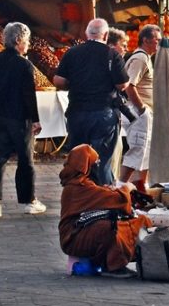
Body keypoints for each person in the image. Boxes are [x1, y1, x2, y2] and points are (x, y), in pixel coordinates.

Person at [0, 22, 46, 218]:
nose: (28, 45)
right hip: (20, 120)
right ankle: (28, 201)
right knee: (25, 161)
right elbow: (29, 95)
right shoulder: (24, 65)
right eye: (26, 41)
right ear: (18, 41)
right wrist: (35, 119)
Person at [53, 18, 130, 185]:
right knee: (101, 162)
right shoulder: (112, 55)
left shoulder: (72, 52)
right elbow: (122, 84)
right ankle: (102, 202)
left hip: (77, 113)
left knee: (77, 161)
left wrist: (73, 84)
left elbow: (58, 81)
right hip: (103, 115)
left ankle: (77, 198)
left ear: (87, 34)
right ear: (106, 35)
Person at [59, 144, 152, 278]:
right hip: (73, 238)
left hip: (82, 231)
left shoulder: (84, 184)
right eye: (95, 163)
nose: (98, 166)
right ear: (85, 166)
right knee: (110, 228)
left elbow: (103, 196)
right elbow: (117, 199)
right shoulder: (76, 187)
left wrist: (112, 190)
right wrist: (128, 187)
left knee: (139, 221)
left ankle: (137, 261)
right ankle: (113, 265)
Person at [119, 24, 161, 189]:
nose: (158, 44)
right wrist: (142, 108)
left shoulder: (145, 58)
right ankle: (121, 184)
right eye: (156, 41)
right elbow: (130, 85)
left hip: (143, 112)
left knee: (145, 151)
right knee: (138, 149)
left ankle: (142, 184)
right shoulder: (140, 58)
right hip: (138, 112)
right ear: (146, 40)